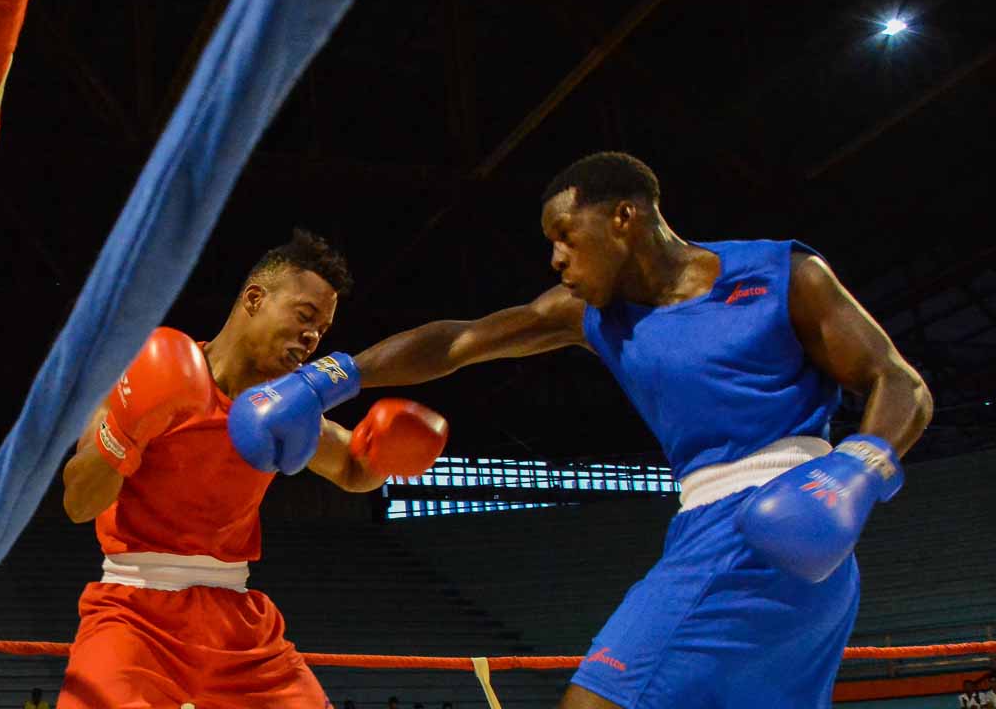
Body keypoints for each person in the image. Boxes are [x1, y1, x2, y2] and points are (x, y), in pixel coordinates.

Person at [352, 152, 933, 708]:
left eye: (565, 235)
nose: (556, 259)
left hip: (760, 526)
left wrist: (854, 473)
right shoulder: (590, 314)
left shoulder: (782, 273)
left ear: (623, 217)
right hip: (732, 535)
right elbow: (459, 341)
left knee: (595, 703)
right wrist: (332, 377)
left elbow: (899, 382)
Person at [56, 229, 448, 709]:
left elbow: (352, 469)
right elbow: (78, 503)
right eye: (304, 316)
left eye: (322, 330)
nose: (312, 337)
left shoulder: (282, 410)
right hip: (132, 612)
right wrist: (127, 426)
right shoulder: (147, 372)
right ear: (255, 298)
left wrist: (385, 454)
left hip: (237, 622)